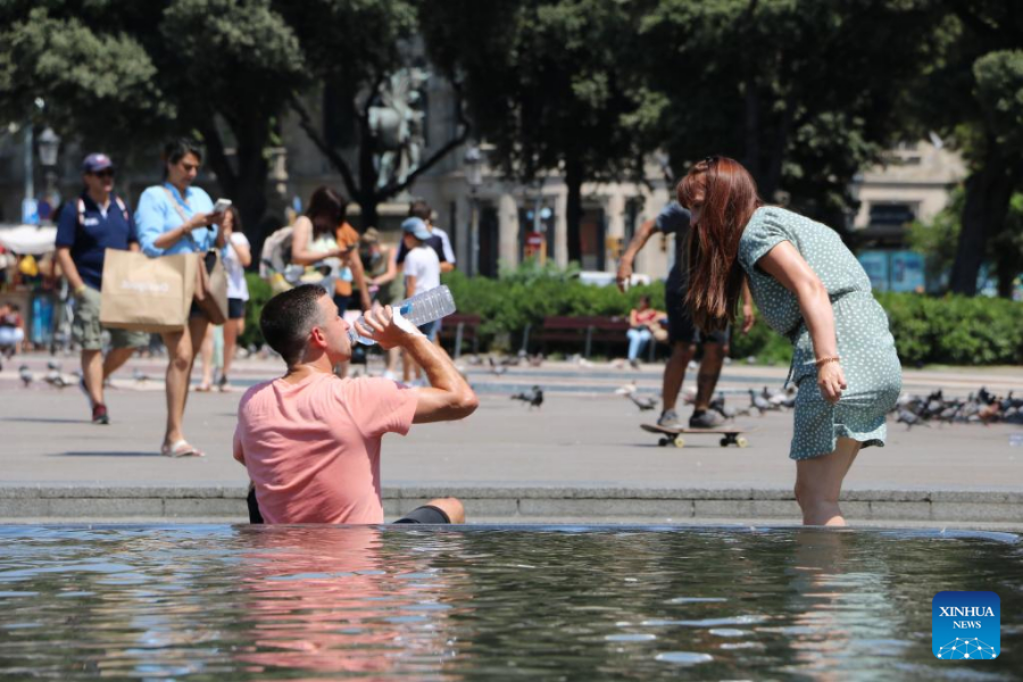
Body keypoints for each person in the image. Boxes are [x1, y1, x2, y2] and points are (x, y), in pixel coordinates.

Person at [678, 156, 901, 526]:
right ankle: (849, 583)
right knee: (818, 495)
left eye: (699, 208)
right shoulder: (783, 220)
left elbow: (809, 286)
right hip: (876, 355)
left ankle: (825, 583)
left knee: (816, 498)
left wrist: (827, 359)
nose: (693, 221)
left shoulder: (756, 231)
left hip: (842, 358)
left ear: (724, 200)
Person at [233, 284, 478, 524]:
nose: (347, 324)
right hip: (358, 561)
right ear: (319, 336)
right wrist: (408, 335)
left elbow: (242, 454)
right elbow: (462, 399)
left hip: (281, 559)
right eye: (337, 317)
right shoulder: (358, 396)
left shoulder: (253, 401)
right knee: (451, 508)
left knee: (257, 488)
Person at [617, 202, 755, 429]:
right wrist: (626, 259)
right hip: (683, 289)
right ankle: (668, 411)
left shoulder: (733, 211)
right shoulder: (684, 210)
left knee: (718, 349)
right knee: (684, 348)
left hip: (717, 294)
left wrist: (747, 303)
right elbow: (648, 227)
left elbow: (740, 260)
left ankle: (701, 410)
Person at [135, 138, 227, 458]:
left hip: (199, 284)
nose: (192, 173)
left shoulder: (201, 195)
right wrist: (191, 224)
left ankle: (174, 433)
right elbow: (150, 244)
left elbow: (216, 243)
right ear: (169, 163)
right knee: (183, 355)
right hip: (169, 280)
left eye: (196, 168)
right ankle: (174, 435)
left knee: (186, 363)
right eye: (186, 166)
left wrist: (220, 226)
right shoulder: (153, 197)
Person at [54, 153, 149, 424]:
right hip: (90, 285)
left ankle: (93, 380)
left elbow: (133, 241)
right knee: (92, 343)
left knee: (134, 340)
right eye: (100, 174)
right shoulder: (75, 209)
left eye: (110, 173)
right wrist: (79, 288)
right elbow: (62, 251)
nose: (107, 178)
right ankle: (98, 403)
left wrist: (132, 268)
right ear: (87, 178)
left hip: (120, 286)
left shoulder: (121, 206)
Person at [197, 205, 250, 392]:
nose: (225, 221)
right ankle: (206, 376)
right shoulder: (210, 237)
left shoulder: (239, 238)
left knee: (230, 337)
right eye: (222, 217)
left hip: (234, 292)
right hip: (214, 291)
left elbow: (246, 260)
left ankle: (224, 374)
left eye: (228, 218)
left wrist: (230, 240)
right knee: (208, 334)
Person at [400, 217, 442, 385]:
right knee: (431, 342)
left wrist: (406, 311)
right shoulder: (432, 252)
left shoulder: (412, 256)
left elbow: (411, 285)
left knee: (412, 343)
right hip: (435, 301)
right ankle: (437, 378)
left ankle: (416, 378)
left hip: (418, 303)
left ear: (410, 236)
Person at [361, 227, 402, 381]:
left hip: (396, 295)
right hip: (383, 297)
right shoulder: (375, 259)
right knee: (385, 333)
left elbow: (391, 273)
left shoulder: (391, 251)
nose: (369, 251)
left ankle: (391, 370)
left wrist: (373, 282)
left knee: (393, 330)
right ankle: (388, 369)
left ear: (375, 244)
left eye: (369, 247)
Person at [625, 295, 665, 369]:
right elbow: (633, 324)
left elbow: (665, 315)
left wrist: (654, 319)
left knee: (644, 337)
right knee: (636, 337)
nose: (641, 303)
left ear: (647, 303)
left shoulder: (651, 312)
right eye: (641, 301)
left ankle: (635, 357)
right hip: (633, 331)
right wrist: (644, 323)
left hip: (644, 331)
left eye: (643, 302)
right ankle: (632, 358)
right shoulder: (634, 311)